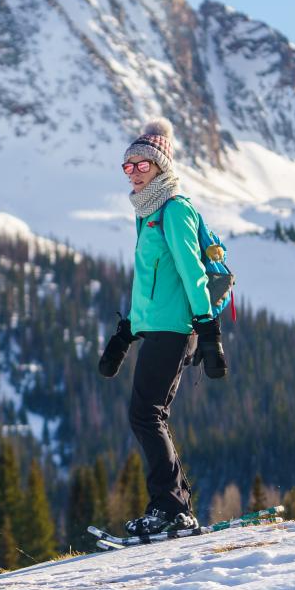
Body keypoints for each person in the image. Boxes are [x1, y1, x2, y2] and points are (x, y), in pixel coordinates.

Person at [98, 118, 229, 536]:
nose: (134, 172)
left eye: (142, 164)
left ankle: (173, 509)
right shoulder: (148, 212)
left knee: (146, 414)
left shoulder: (174, 209)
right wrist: (126, 334)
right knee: (148, 414)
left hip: (178, 330)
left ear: (161, 166)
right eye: (128, 166)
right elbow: (153, 286)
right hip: (158, 328)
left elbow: (191, 274)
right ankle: (173, 505)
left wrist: (208, 330)